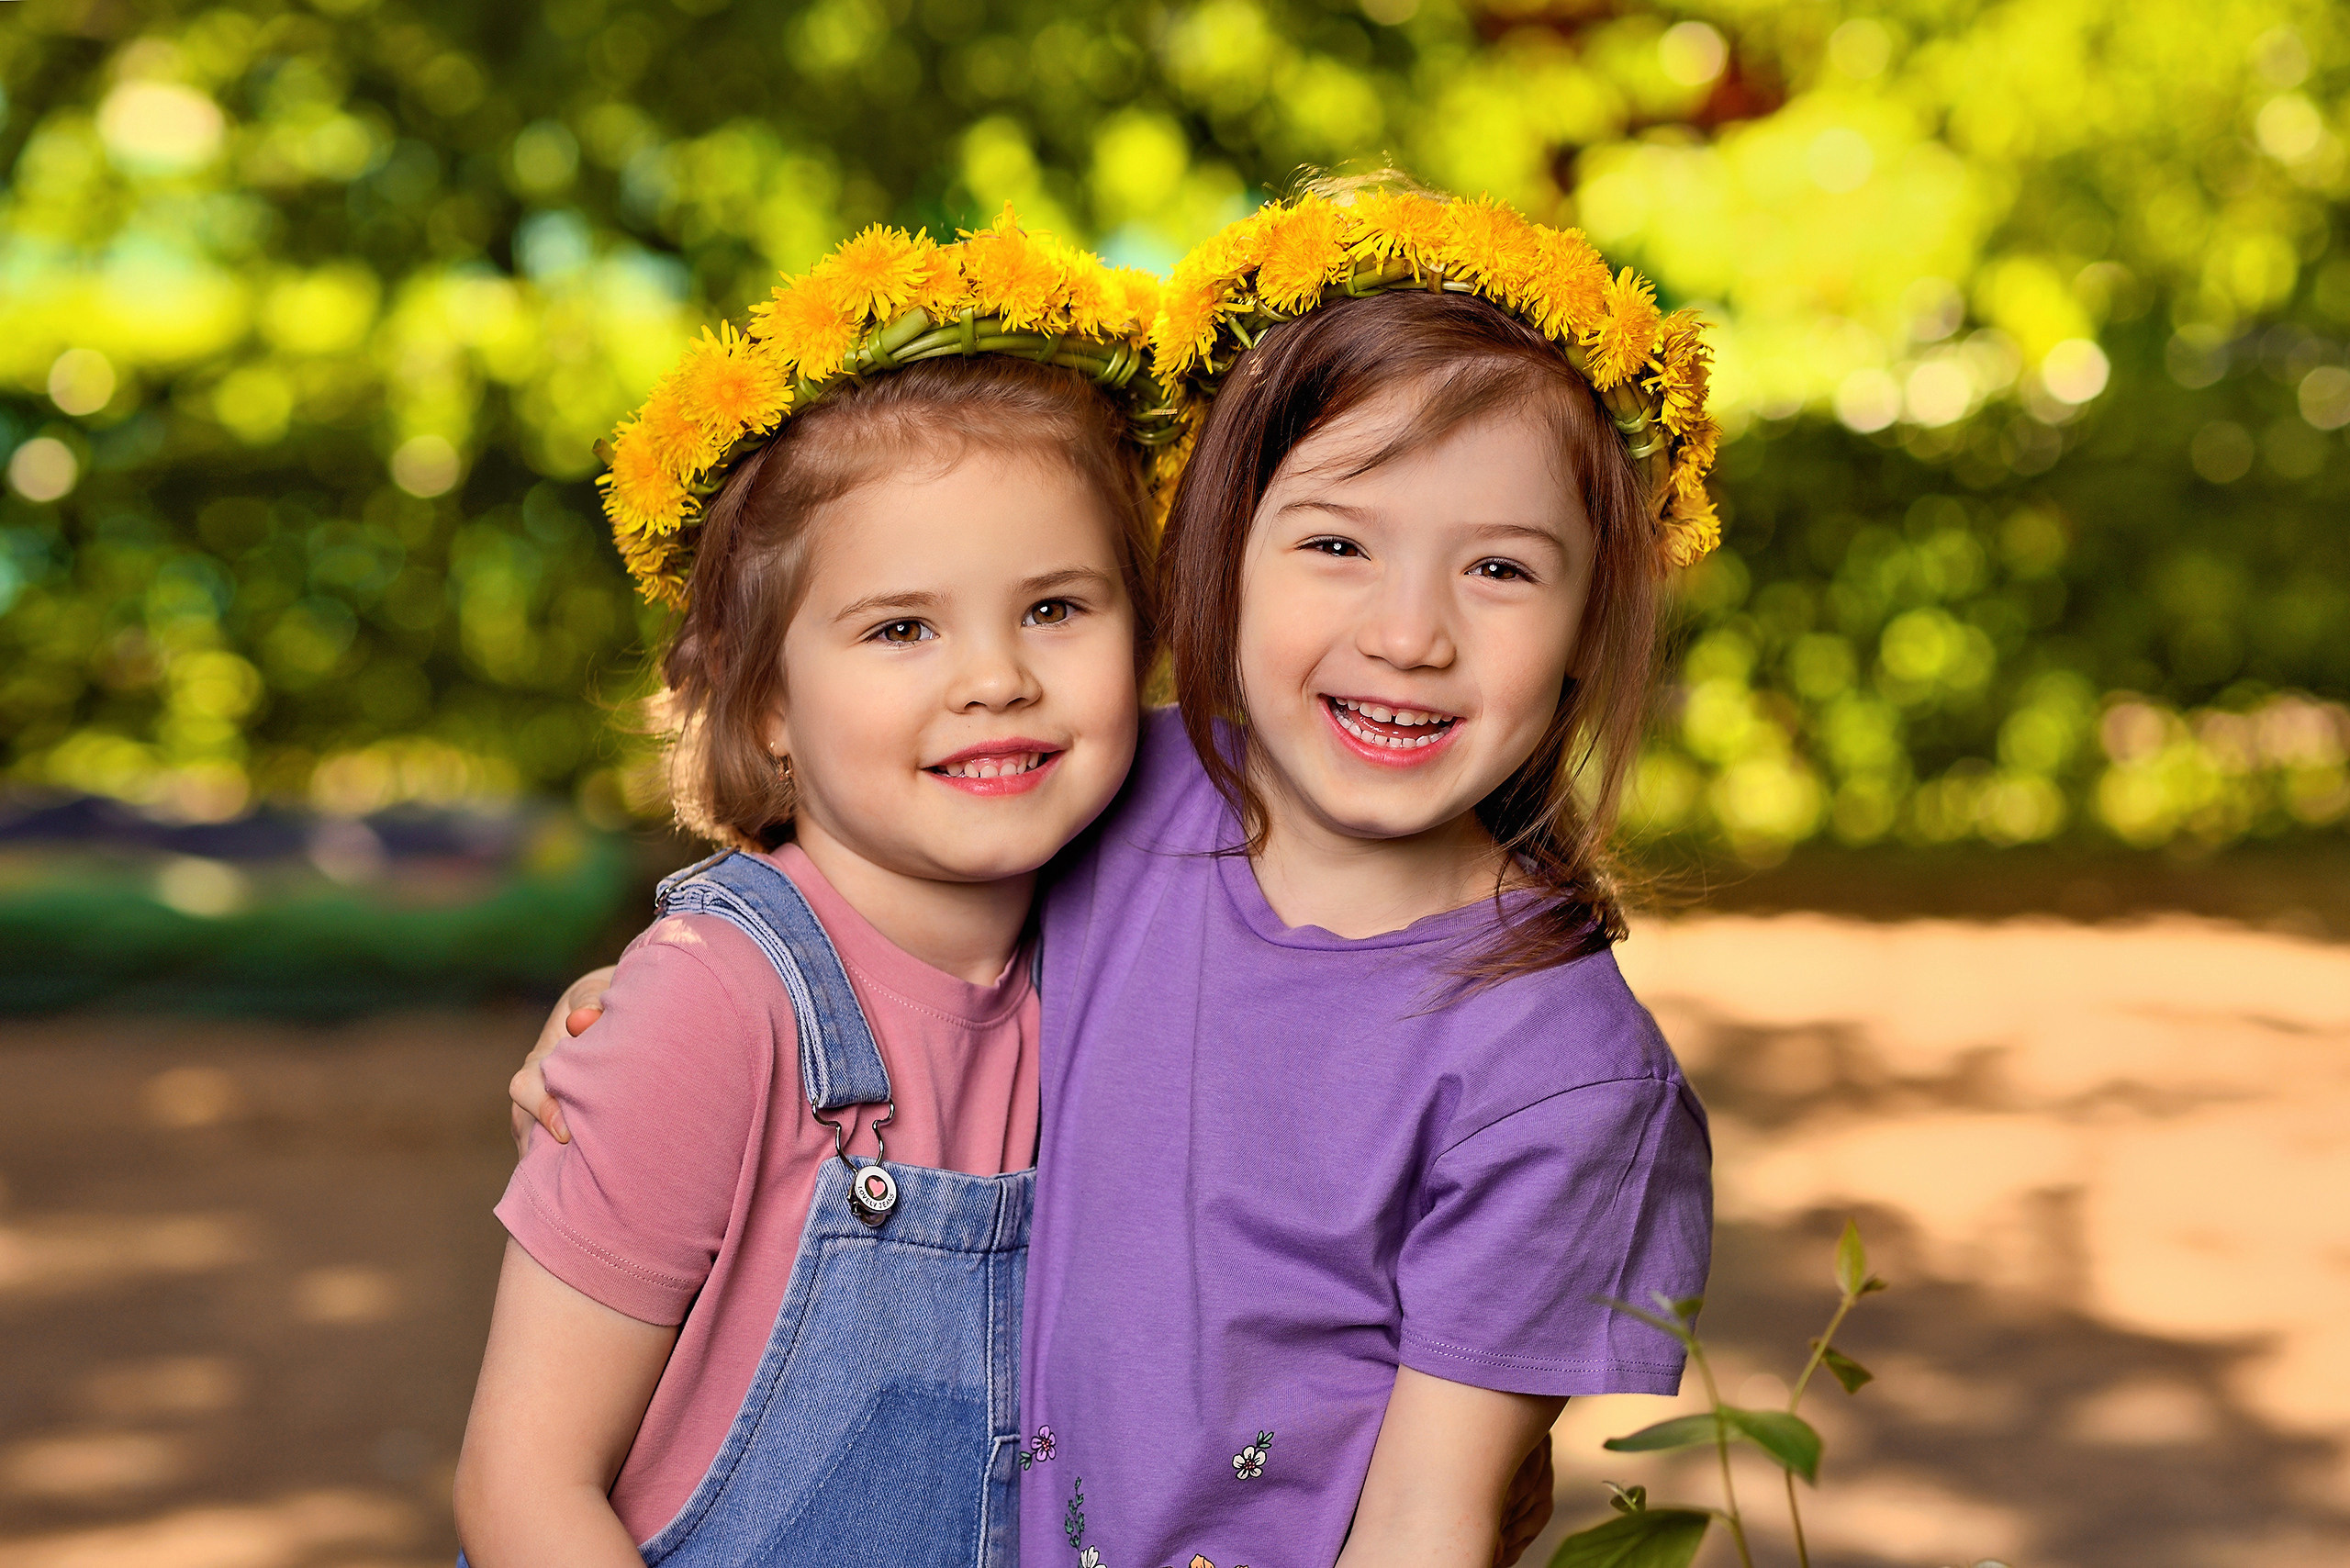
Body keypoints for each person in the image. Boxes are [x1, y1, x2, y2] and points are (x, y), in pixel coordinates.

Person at [517, 183, 1718, 1568]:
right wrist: (649, 1015)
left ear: (1590, 622)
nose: (1410, 635)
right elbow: (849, 933)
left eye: (1501, 569)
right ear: (1223, 553)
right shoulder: (1104, 797)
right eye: (1337, 543)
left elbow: (1432, 1525)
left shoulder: (1561, 1075)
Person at [451, 211, 1168, 1568]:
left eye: (1057, 608)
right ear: (767, 700)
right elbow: (520, 1489)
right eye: (902, 627)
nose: (994, 677)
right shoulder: (713, 1011)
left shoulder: (1144, 948)